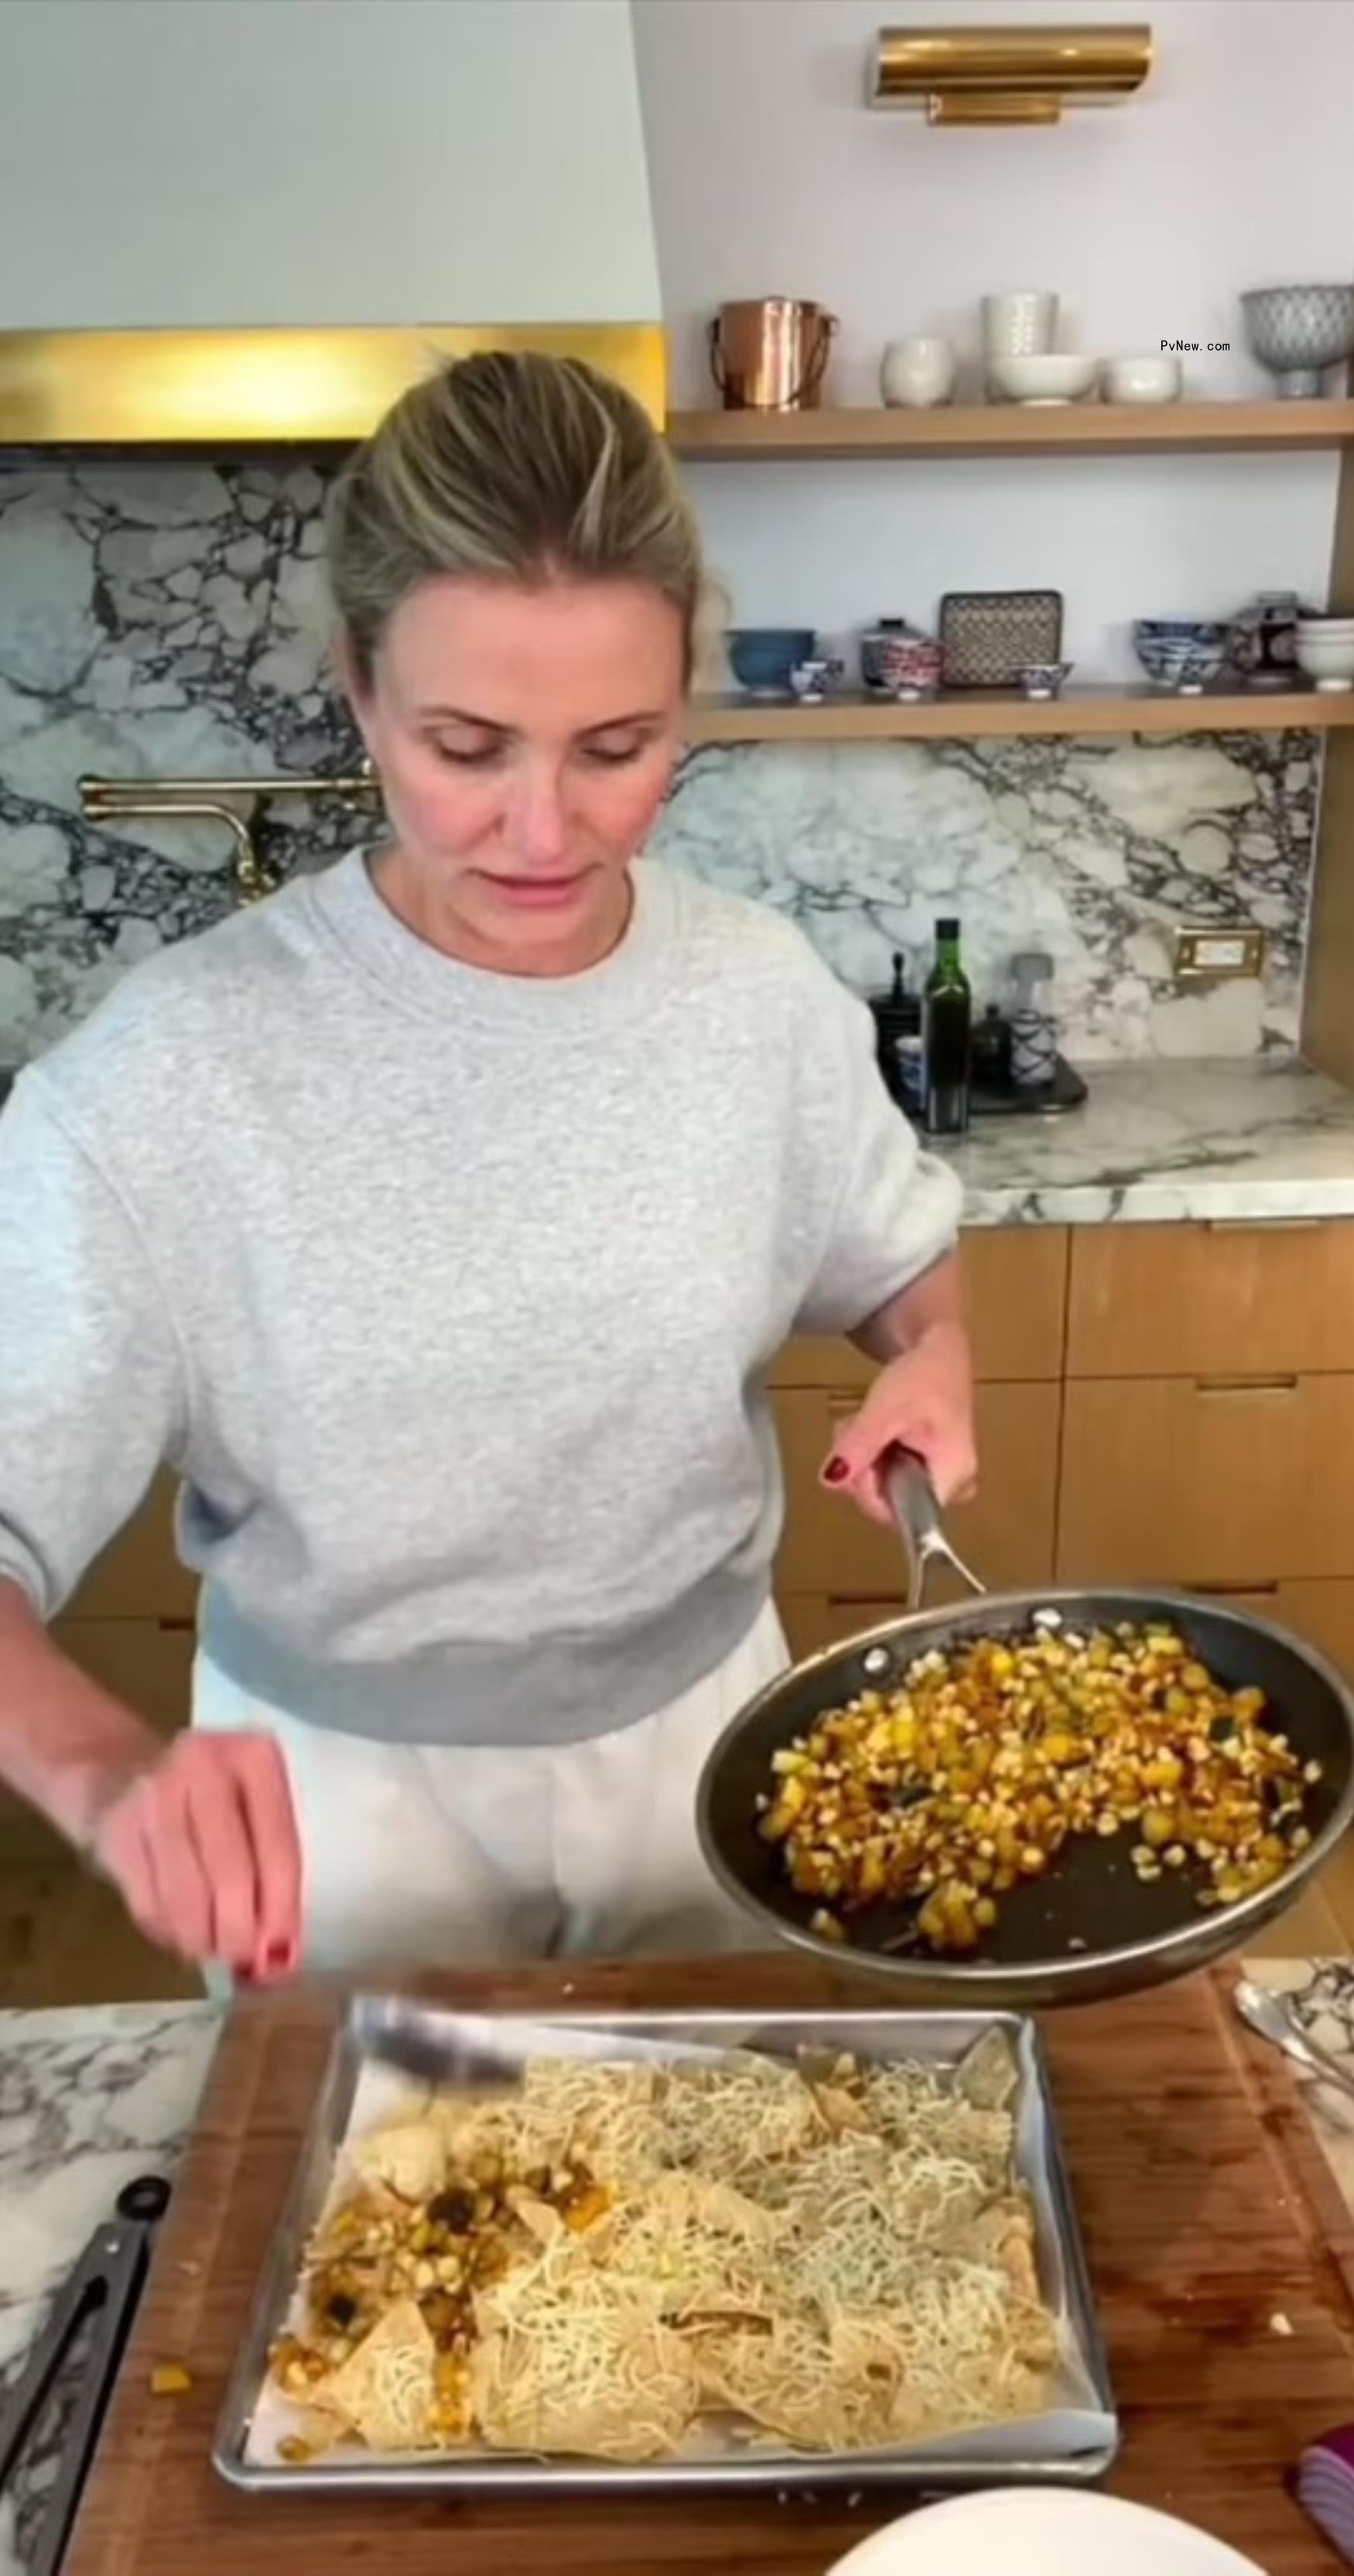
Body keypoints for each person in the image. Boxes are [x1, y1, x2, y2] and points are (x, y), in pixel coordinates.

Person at [0, 352, 974, 1982]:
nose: (544, 832)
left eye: (617, 747)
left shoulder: (757, 998)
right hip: (341, 1809)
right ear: (360, 689)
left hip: (713, 1755)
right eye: (466, 745)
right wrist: (103, 1777)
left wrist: (935, 1363)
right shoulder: (164, 1080)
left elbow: (901, 1277)